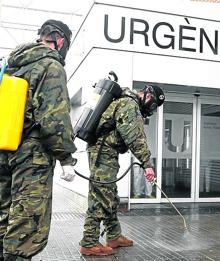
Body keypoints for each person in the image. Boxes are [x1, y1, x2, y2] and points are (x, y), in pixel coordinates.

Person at [0, 19, 77, 261]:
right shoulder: (50, 66)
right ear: (61, 41)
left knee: (4, 214)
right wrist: (66, 157)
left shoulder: (11, 64)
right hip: (31, 157)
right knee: (26, 223)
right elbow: (54, 118)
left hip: (4, 148)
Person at [79, 84, 165, 256]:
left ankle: (114, 235)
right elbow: (135, 137)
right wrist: (147, 164)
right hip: (103, 152)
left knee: (110, 195)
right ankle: (89, 242)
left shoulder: (126, 101)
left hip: (106, 152)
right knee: (101, 197)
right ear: (148, 97)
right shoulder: (129, 104)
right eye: (153, 105)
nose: (151, 109)